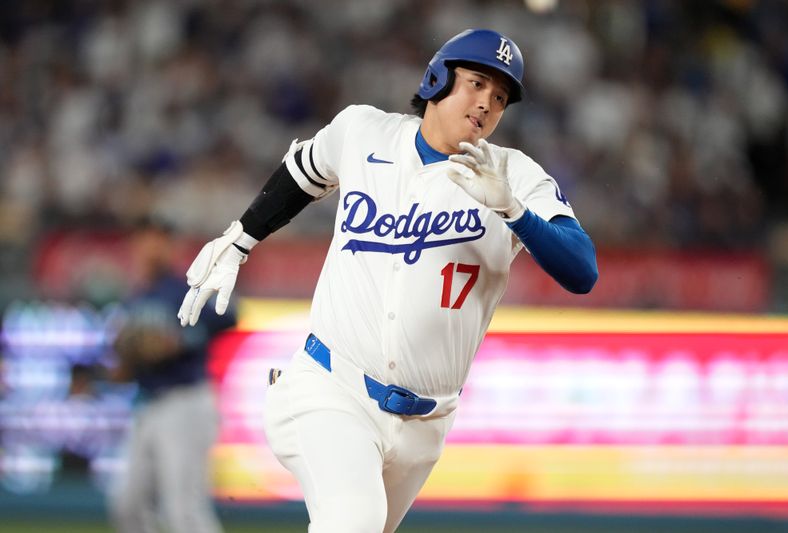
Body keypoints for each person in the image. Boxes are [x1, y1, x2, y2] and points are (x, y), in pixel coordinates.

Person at [178, 29, 598, 533]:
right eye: (476, 83)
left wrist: (515, 211)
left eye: (500, 96)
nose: (487, 102)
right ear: (437, 79)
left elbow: (582, 271)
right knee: (353, 521)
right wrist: (242, 237)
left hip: (427, 423)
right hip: (332, 387)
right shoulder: (364, 132)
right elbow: (301, 172)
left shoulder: (513, 176)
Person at [110, 220, 234, 533]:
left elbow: (230, 315)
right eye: (145, 241)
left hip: (185, 402)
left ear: (171, 248)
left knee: (183, 510)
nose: (151, 249)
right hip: (148, 405)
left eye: (159, 241)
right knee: (128, 504)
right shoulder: (134, 298)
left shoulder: (185, 288)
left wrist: (180, 340)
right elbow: (123, 368)